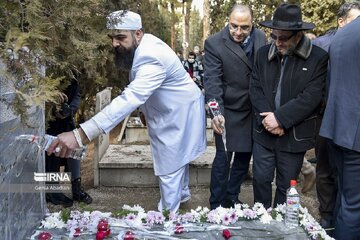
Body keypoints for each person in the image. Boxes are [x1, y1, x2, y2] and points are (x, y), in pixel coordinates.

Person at [47, 10, 206, 213]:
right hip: (170, 108)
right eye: (112, 38)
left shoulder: (150, 56)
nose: (114, 43)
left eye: (120, 37)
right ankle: (182, 194)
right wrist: (143, 111)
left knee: (170, 162)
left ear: (137, 33)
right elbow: (142, 86)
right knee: (176, 157)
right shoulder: (144, 45)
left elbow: (129, 98)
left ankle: (167, 214)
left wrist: (80, 134)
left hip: (180, 111)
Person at [249, 3, 328, 209]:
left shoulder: (318, 58)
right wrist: (269, 120)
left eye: (283, 38)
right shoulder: (262, 54)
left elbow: (311, 96)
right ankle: (261, 220)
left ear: (298, 34)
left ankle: (280, 226)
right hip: (264, 131)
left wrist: (281, 118)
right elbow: (255, 88)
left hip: (293, 136)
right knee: (261, 180)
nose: (277, 42)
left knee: (286, 186)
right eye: (274, 36)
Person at [203, 4, 266, 209]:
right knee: (223, 157)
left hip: (253, 110)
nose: (238, 32)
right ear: (228, 22)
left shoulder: (261, 38)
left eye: (244, 27)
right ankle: (217, 204)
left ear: (252, 25)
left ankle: (232, 196)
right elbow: (212, 82)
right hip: (227, 111)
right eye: (234, 26)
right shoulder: (214, 43)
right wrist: (215, 114)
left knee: (244, 156)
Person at [311, 1, 360, 231]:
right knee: (350, 202)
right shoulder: (328, 41)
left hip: (337, 124)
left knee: (346, 197)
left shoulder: (341, 37)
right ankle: (331, 221)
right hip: (343, 126)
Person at [46, 79, 92, 207]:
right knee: (51, 150)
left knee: (74, 148)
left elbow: (77, 93)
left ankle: (77, 189)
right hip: (49, 115)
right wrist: (51, 95)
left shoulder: (74, 70)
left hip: (66, 116)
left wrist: (70, 110)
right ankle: (51, 191)